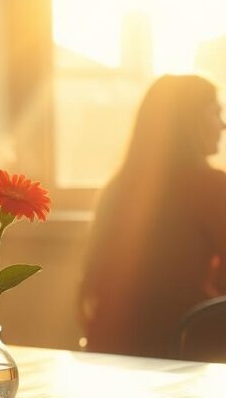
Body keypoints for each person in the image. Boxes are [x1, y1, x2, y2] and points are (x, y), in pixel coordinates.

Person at [80, 74, 226, 358]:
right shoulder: (208, 185)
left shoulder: (117, 187)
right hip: (181, 346)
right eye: (216, 112)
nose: (223, 124)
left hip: (106, 349)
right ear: (190, 120)